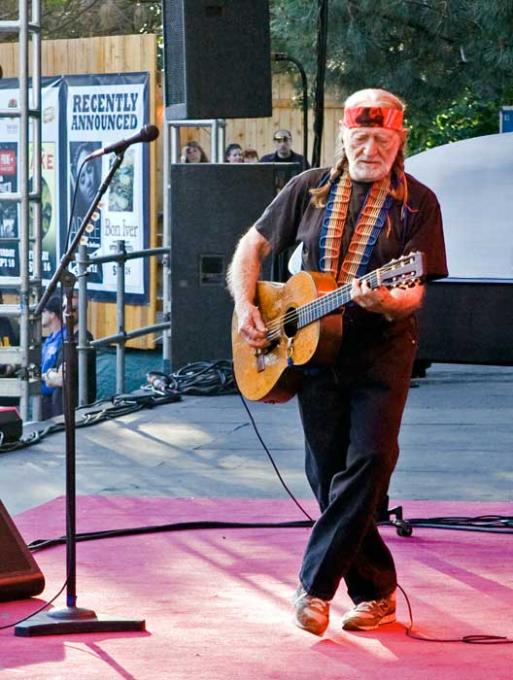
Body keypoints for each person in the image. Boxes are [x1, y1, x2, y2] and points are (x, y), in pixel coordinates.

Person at [227, 88, 448, 636]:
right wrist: (244, 303)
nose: (371, 148)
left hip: (382, 349)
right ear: (343, 139)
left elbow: (414, 290)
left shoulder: (419, 203)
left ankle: (314, 589)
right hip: (313, 350)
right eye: (361, 137)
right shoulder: (309, 188)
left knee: (371, 460)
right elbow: (251, 246)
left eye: (383, 139)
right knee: (327, 475)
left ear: (400, 142)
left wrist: (390, 299)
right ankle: (376, 594)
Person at [44, 291, 97, 411]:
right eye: (63, 308)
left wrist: (49, 375)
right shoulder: (67, 337)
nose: (66, 312)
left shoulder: (83, 339)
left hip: (76, 413)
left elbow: (62, 379)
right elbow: (55, 375)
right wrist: (51, 375)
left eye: (72, 309)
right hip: (61, 411)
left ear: (82, 311)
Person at [40, 296, 65, 420]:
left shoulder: (64, 337)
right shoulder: (49, 339)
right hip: (42, 399)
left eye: (43, 311)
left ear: (52, 314)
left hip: (56, 401)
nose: (41, 315)